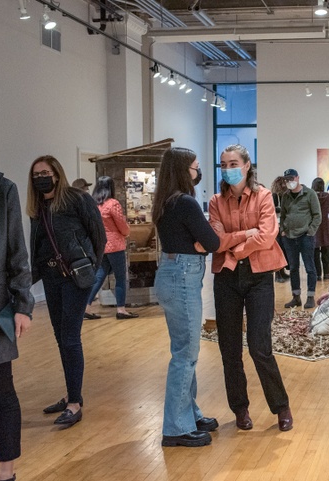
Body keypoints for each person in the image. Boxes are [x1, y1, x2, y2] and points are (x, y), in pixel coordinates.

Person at [208, 144, 293, 432]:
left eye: (233, 163)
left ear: (246, 166)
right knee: (229, 348)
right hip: (227, 279)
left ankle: (281, 406)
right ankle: (240, 409)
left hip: (258, 277)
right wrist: (246, 235)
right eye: (223, 165)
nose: (228, 169)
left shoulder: (264, 196)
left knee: (260, 346)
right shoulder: (215, 202)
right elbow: (216, 242)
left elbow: (268, 235)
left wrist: (238, 248)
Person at [27, 155, 106, 428]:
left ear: (57, 174)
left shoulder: (76, 199)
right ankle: (72, 394)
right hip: (50, 278)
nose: (41, 178)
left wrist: (92, 268)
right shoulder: (37, 207)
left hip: (75, 277)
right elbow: (37, 245)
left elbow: (99, 235)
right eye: (36, 174)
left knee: (70, 337)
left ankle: (74, 404)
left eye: (45, 173)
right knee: (61, 337)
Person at [152, 147, 220, 447]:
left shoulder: (165, 202)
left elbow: (202, 241)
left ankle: (189, 414)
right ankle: (176, 428)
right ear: (184, 171)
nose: (198, 171)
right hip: (182, 275)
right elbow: (213, 241)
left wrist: (200, 242)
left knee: (183, 350)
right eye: (195, 167)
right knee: (186, 355)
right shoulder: (187, 203)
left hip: (170, 272)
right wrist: (204, 240)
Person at [0, 162, 34, 481]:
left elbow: (18, 254)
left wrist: (23, 305)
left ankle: (6, 473)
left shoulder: (1, 189)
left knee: (1, 396)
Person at [84, 176, 138, 320]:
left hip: (101, 246)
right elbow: (122, 226)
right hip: (115, 246)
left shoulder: (93, 204)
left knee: (99, 276)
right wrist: (127, 232)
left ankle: (86, 307)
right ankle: (121, 309)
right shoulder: (113, 203)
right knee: (120, 278)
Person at [280, 168, 321, 309]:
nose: (289, 182)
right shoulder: (285, 196)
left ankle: (310, 296)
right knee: (293, 268)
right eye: (286, 180)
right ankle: (296, 297)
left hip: (305, 237)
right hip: (289, 237)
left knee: (310, 267)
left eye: (291, 179)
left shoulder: (310, 194)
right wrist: (283, 230)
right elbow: (283, 215)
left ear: (298, 178)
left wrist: (310, 232)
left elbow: (317, 215)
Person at [270, 176, 290, 283]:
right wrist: (284, 209)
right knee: (278, 250)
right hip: (276, 226)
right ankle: (277, 274)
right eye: (283, 183)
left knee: (284, 250)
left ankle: (282, 272)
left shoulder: (285, 195)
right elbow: (272, 208)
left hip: (284, 225)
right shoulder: (274, 195)